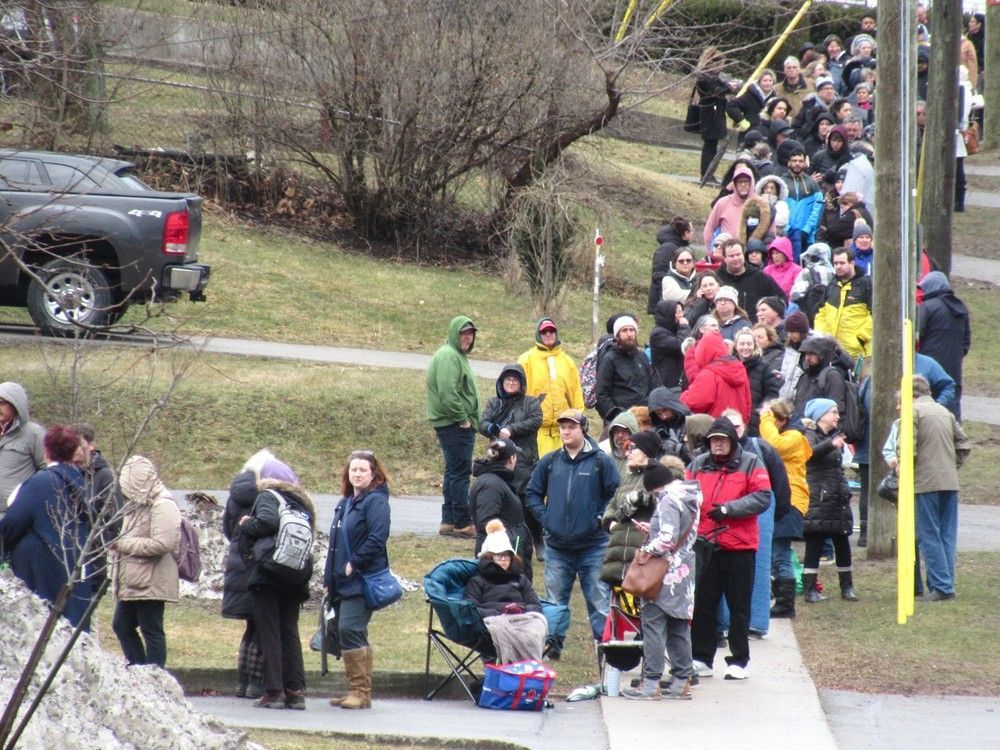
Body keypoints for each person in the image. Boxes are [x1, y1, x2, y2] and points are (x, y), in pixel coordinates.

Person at [525, 409, 619, 654]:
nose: (566, 432)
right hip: (557, 547)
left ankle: (605, 648)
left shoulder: (601, 461)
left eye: (571, 427)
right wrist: (546, 518)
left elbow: (615, 494)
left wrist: (599, 518)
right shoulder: (550, 461)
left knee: (599, 601)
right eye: (563, 427)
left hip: (594, 546)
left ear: (583, 429)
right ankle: (552, 646)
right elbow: (532, 493)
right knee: (554, 601)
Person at [687, 417, 771, 681]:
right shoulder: (698, 464)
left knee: (739, 606)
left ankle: (739, 661)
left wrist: (728, 509)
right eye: (713, 440)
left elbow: (762, 497)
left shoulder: (751, 462)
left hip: (739, 546)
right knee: (703, 604)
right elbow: (685, 494)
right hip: (705, 545)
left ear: (733, 441)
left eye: (722, 440)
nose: (718, 444)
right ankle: (701, 658)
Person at [621, 460, 701, 701]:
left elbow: (667, 540)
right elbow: (679, 532)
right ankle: (682, 681)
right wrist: (653, 529)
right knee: (678, 627)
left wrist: (646, 550)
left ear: (655, 486)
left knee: (653, 626)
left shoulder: (667, 500)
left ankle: (651, 683)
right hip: (683, 571)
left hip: (662, 574)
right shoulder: (688, 497)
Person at [237, 458, 315, 709]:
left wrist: (247, 524)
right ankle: (296, 691)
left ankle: (274, 691)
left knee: (269, 631)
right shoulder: (302, 503)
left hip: (268, 573)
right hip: (295, 574)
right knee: (290, 631)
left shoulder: (268, 495)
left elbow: (267, 522)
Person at [0, 425, 92, 627]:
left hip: (45, 577)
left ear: (47, 452)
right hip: (75, 575)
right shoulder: (80, 482)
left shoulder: (42, 483)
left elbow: (10, 527)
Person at [324, 450, 391, 709]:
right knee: (347, 631)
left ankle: (360, 692)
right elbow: (334, 544)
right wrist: (329, 578)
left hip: (361, 579)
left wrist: (354, 564)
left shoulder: (376, 502)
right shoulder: (346, 502)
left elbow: (377, 538)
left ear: (374, 474)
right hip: (340, 580)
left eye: (363, 470)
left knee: (350, 628)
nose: (358, 474)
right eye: (354, 469)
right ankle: (358, 691)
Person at [111, 455, 181, 668]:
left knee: (151, 629)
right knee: (122, 625)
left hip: (152, 579)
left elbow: (162, 544)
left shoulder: (162, 504)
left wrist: (122, 545)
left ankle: (154, 676)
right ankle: (139, 670)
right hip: (135, 579)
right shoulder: (137, 504)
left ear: (138, 482)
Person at [910, 376, 972, 601]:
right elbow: (964, 444)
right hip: (949, 481)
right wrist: (951, 466)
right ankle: (946, 583)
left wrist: (905, 472)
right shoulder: (945, 412)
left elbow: (907, 448)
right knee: (947, 534)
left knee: (929, 533)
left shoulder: (913, 412)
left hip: (925, 482)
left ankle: (942, 586)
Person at [222, 449, 274, 699]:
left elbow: (227, 529)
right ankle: (256, 682)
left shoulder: (235, 493)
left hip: (237, 562)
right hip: (258, 563)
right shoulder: (266, 493)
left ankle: (241, 681)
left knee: (250, 626)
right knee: (263, 624)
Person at [427, 315, 481, 538]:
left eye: (470, 334)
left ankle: (448, 521)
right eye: (463, 333)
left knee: (452, 472)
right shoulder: (449, 356)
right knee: (460, 473)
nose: (467, 337)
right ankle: (462, 523)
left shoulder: (455, 355)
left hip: (452, 424)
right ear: (453, 334)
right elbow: (448, 394)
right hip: (455, 425)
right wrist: (463, 419)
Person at [800, 399, 858, 603]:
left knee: (842, 541)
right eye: (833, 412)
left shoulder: (835, 435)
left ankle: (847, 587)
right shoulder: (808, 435)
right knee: (815, 541)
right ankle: (810, 589)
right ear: (821, 415)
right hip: (819, 497)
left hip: (837, 496)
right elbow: (808, 454)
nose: (837, 416)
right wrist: (829, 444)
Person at [465, 520, 546, 662]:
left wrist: (520, 611)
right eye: (499, 555)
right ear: (490, 557)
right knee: (499, 628)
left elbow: (535, 604)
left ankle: (528, 667)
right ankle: (508, 666)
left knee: (538, 624)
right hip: (493, 623)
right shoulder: (478, 581)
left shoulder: (521, 579)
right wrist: (501, 613)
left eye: (507, 555)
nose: (503, 559)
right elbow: (471, 608)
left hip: (523, 620)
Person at [758, 399, 811, 618]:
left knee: (781, 553)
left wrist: (765, 418)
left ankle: (785, 604)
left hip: (790, 500)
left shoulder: (794, 437)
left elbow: (774, 445)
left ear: (782, 420)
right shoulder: (789, 435)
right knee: (776, 552)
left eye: (774, 421)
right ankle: (780, 600)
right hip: (784, 498)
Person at [599, 427, 657, 588]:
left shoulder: (661, 477)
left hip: (643, 558)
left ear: (645, 451)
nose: (627, 453)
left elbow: (669, 508)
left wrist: (644, 499)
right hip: (618, 557)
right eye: (626, 449)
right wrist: (610, 522)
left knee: (642, 602)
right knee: (618, 602)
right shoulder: (627, 477)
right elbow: (613, 503)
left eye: (631, 449)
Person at [469, 439, 534, 580]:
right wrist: (507, 548)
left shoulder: (499, 481)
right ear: (512, 459)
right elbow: (487, 521)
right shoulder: (491, 484)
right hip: (499, 558)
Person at [519, 318, 585, 456]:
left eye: (552, 331)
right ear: (538, 334)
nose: (548, 334)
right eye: (544, 332)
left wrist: (579, 418)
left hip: (564, 432)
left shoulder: (567, 361)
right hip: (536, 431)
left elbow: (576, 394)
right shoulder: (526, 360)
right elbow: (518, 395)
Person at [479, 364, 542, 498]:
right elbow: (483, 423)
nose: (511, 383)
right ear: (501, 382)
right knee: (497, 495)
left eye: (515, 380)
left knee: (523, 497)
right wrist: (491, 428)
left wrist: (511, 429)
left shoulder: (531, 403)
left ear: (521, 383)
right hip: (498, 457)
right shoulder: (494, 403)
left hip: (524, 459)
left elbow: (535, 421)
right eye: (508, 379)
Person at [917, 272, 971, 421]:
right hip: (954, 367)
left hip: (929, 368)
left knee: (927, 407)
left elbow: (917, 335)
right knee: (952, 405)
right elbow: (966, 342)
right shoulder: (961, 307)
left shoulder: (927, 307)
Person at [813, 246, 873, 361]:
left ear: (852, 263)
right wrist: (823, 336)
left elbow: (876, 316)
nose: (838, 266)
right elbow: (821, 313)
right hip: (833, 353)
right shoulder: (832, 285)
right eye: (835, 263)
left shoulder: (866, 284)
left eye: (842, 263)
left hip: (859, 355)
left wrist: (861, 338)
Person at [681, 330, 752, 424]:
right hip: (738, 425)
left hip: (716, 427)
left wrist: (683, 397)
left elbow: (696, 402)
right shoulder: (740, 368)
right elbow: (748, 402)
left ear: (703, 351)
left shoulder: (709, 373)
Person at [595, 315, 654, 427]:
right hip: (620, 421)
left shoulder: (642, 357)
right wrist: (616, 416)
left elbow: (651, 385)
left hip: (643, 419)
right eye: (624, 330)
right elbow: (602, 394)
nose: (629, 334)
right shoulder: (609, 359)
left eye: (632, 330)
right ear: (617, 335)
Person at [715, 238, 787, 324]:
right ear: (724, 258)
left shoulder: (759, 276)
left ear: (743, 254)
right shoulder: (716, 278)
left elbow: (781, 299)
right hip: (722, 327)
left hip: (754, 327)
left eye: (738, 254)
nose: (736, 258)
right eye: (731, 256)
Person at [0, 381, 46, 511]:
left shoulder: (34, 433)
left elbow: (49, 469)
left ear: (16, 404)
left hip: (17, 513)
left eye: (1, 403)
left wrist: (28, 494)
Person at [694, 47, 732, 183]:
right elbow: (717, 90)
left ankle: (708, 173)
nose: (722, 67)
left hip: (714, 112)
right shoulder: (706, 77)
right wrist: (729, 88)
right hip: (710, 113)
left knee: (712, 144)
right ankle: (706, 173)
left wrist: (728, 86)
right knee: (710, 145)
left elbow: (720, 87)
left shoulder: (711, 77)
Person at [733, 329, 780, 436]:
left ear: (754, 345)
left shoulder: (764, 367)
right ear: (736, 346)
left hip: (754, 420)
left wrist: (761, 409)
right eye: (742, 344)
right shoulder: (730, 365)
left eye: (749, 344)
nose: (745, 347)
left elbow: (772, 393)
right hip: (734, 416)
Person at [648, 217, 695, 313]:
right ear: (686, 233)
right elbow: (658, 275)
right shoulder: (667, 249)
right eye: (692, 231)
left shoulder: (681, 247)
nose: (693, 233)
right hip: (666, 304)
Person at [703, 165, 756, 248]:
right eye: (739, 182)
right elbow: (709, 229)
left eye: (746, 181)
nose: (743, 184)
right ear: (734, 184)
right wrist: (710, 252)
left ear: (751, 182)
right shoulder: (723, 202)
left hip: (753, 253)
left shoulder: (760, 204)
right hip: (727, 252)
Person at [727, 69, 776, 145]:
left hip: (765, 137)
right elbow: (731, 106)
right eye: (765, 81)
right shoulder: (750, 95)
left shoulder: (774, 99)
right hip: (747, 136)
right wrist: (742, 121)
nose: (768, 83)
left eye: (770, 81)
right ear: (759, 82)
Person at [649, 300, 690, 390]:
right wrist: (684, 327)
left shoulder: (675, 330)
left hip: (678, 381)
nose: (681, 315)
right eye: (678, 312)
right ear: (668, 314)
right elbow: (680, 346)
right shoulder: (658, 334)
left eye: (682, 311)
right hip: (666, 384)